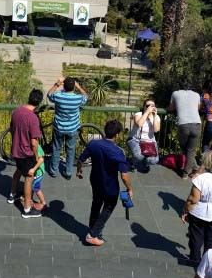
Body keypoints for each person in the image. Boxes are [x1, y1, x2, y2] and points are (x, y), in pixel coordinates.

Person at [77, 119, 133, 247]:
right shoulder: (118, 152)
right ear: (117, 134)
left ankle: (92, 228)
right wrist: (129, 189)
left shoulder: (93, 144)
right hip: (110, 186)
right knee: (108, 207)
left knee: (96, 204)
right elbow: (124, 176)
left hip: (95, 181)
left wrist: (79, 171)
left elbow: (81, 159)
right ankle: (93, 234)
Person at [181, 150, 212, 265]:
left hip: (199, 212)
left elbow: (193, 199)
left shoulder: (200, 179)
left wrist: (185, 211)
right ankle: (207, 260)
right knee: (211, 237)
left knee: (196, 236)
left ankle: (194, 259)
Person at [7, 89, 44, 219]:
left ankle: (12, 194)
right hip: (26, 153)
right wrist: (36, 156)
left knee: (18, 170)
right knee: (29, 178)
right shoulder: (33, 118)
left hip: (16, 150)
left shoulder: (16, 112)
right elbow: (34, 142)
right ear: (39, 102)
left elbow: (11, 129)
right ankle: (27, 209)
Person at [45, 75, 88, 179]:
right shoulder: (78, 98)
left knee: (56, 148)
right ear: (73, 87)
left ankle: (53, 170)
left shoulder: (59, 96)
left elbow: (49, 94)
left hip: (59, 128)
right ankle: (68, 172)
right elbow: (86, 96)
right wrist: (78, 87)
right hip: (72, 129)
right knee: (70, 150)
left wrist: (57, 84)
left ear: (64, 87)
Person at [168, 85, 202, 178]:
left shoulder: (175, 93)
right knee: (190, 150)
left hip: (183, 124)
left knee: (185, 148)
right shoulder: (197, 95)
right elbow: (198, 108)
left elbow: (171, 108)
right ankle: (195, 166)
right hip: (197, 123)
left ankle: (186, 173)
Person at [127, 99, 161, 172]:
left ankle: (143, 162)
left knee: (154, 160)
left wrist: (154, 116)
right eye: (148, 106)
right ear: (144, 107)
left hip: (150, 142)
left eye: (152, 106)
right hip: (136, 140)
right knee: (139, 156)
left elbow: (156, 130)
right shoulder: (139, 114)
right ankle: (134, 162)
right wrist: (146, 113)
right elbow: (139, 124)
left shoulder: (157, 117)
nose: (150, 107)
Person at [30, 142, 47, 211]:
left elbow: (41, 159)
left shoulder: (37, 146)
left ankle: (43, 203)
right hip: (36, 172)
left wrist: (33, 169)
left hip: (38, 172)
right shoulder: (31, 144)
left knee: (36, 187)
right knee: (32, 185)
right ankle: (30, 198)